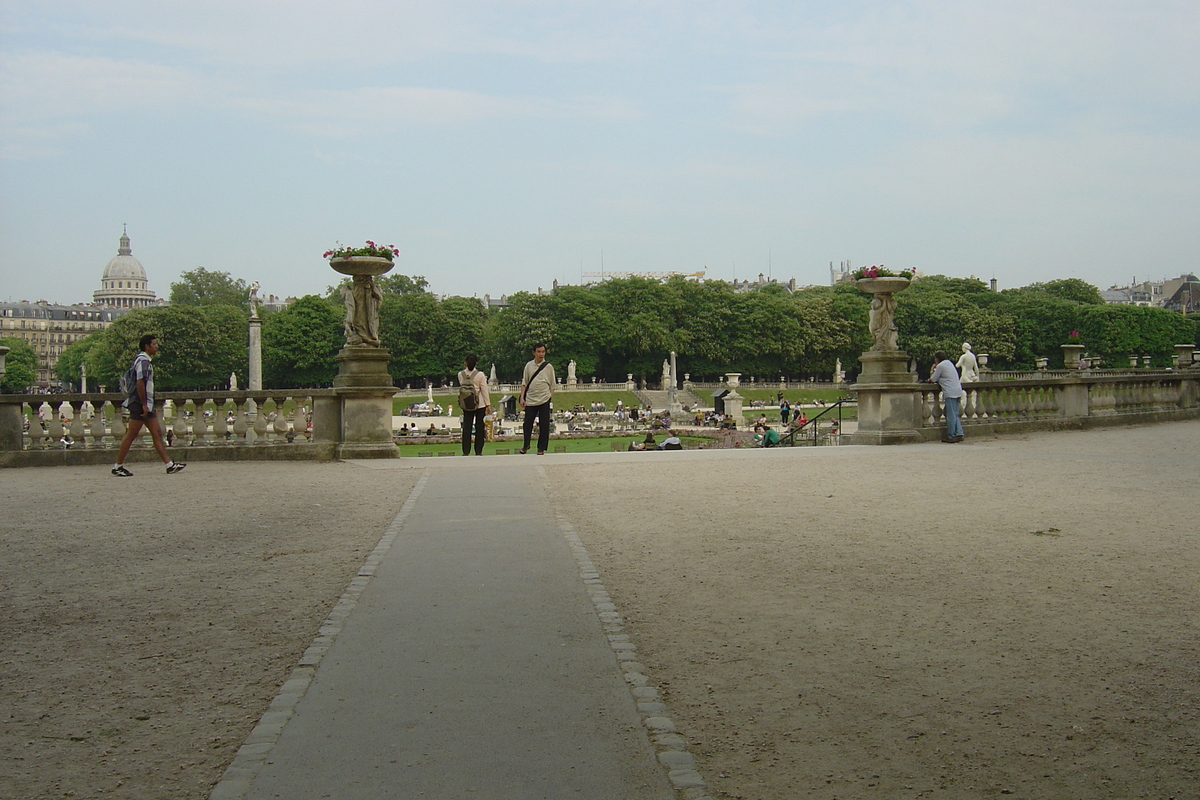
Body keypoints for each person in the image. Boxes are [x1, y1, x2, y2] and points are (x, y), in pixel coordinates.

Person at [111, 335, 186, 476]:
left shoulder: (142, 360)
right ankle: (117, 466)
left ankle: (169, 465)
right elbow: (140, 382)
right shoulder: (143, 361)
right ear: (147, 346)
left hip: (143, 403)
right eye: (154, 344)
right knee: (131, 435)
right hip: (140, 403)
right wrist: (144, 404)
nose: (156, 346)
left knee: (156, 433)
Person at [518, 343, 555, 455]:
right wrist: (522, 397)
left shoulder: (548, 367)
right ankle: (526, 445)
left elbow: (553, 385)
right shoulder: (529, 366)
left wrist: (549, 396)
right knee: (527, 423)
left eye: (543, 352)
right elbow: (524, 382)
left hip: (544, 398)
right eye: (539, 352)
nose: (541, 354)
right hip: (531, 398)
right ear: (534, 352)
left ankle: (541, 448)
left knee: (544, 424)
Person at [927, 350, 965, 442]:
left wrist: (932, 369)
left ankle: (952, 435)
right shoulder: (949, 363)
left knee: (950, 415)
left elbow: (933, 379)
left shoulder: (940, 366)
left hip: (950, 392)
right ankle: (959, 433)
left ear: (937, 359)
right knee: (955, 414)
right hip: (957, 390)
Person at [457, 353, 491, 455]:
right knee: (479, 427)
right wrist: (488, 404)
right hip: (479, 403)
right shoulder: (480, 375)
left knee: (467, 427)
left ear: (466, 363)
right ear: (476, 363)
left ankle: (466, 451)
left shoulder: (460, 374)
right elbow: (484, 390)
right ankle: (478, 450)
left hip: (466, 403)